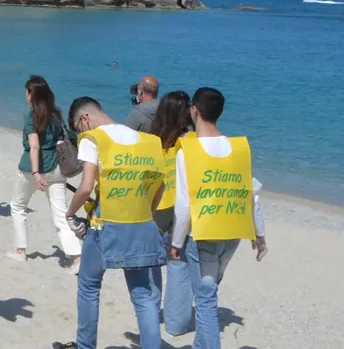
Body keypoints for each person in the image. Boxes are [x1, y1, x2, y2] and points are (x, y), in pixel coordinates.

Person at [52, 97, 166, 349]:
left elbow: (86, 187)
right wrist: (146, 212)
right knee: (144, 295)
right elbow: (160, 187)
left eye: (78, 128)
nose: (80, 133)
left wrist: (70, 214)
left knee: (89, 286)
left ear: (84, 119)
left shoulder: (93, 140)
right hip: (142, 223)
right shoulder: (149, 141)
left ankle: (85, 346)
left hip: (106, 223)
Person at [165, 88, 267, 349]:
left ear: (194, 111)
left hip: (203, 236)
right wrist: (259, 235)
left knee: (206, 300)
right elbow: (251, 194)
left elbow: (184, 204)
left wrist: (176, 243)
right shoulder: (238, 148)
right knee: (208, 292)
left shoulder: (187, 151)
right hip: (232, 234)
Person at [9, 76, 83, 272]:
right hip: (57, 169)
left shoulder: (31, 116)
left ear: (31, 95)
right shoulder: (56, 114)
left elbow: (34, 146)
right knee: (61, 215)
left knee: (18, 205)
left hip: (33, 170)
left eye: (27, 92)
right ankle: (76, 258)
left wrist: (35, 172)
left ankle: (20, 250)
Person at [153, 90, 191, 333]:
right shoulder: (190, 141)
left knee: (152, 264)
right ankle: (176, 324)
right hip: (181, 206)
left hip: (157, 206)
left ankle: (150, 311)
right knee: (178, 263)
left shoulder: (152, 140)